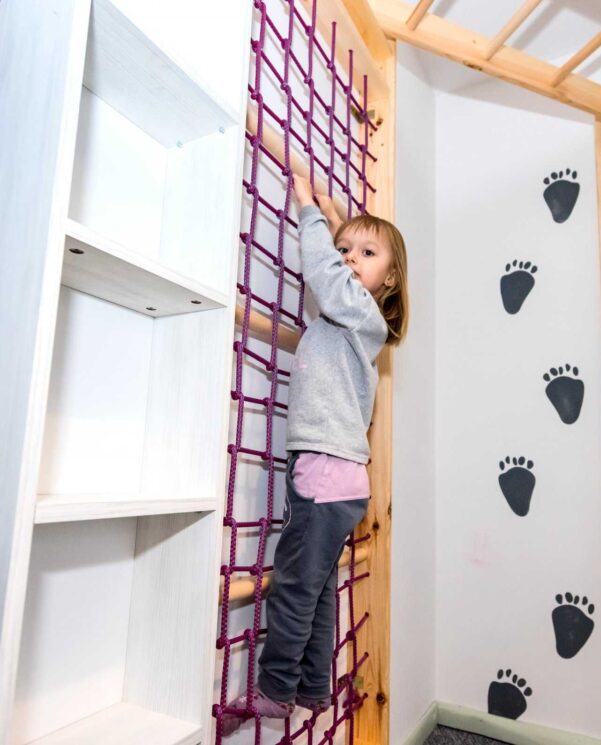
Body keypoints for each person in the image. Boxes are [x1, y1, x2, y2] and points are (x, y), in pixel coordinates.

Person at [221, 173, 409, 736]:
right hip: (338, 477)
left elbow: (327, 276)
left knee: (296, 587)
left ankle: (276, 689)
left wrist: (308, 210)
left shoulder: (357, 311)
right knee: (321, 588)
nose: (349, 258)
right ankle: (311, 688)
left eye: (367, 253)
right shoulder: (349, 322)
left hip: (325, 472)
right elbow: (338, 275)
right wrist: (336, 219)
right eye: (345, 248)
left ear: (390, 278)